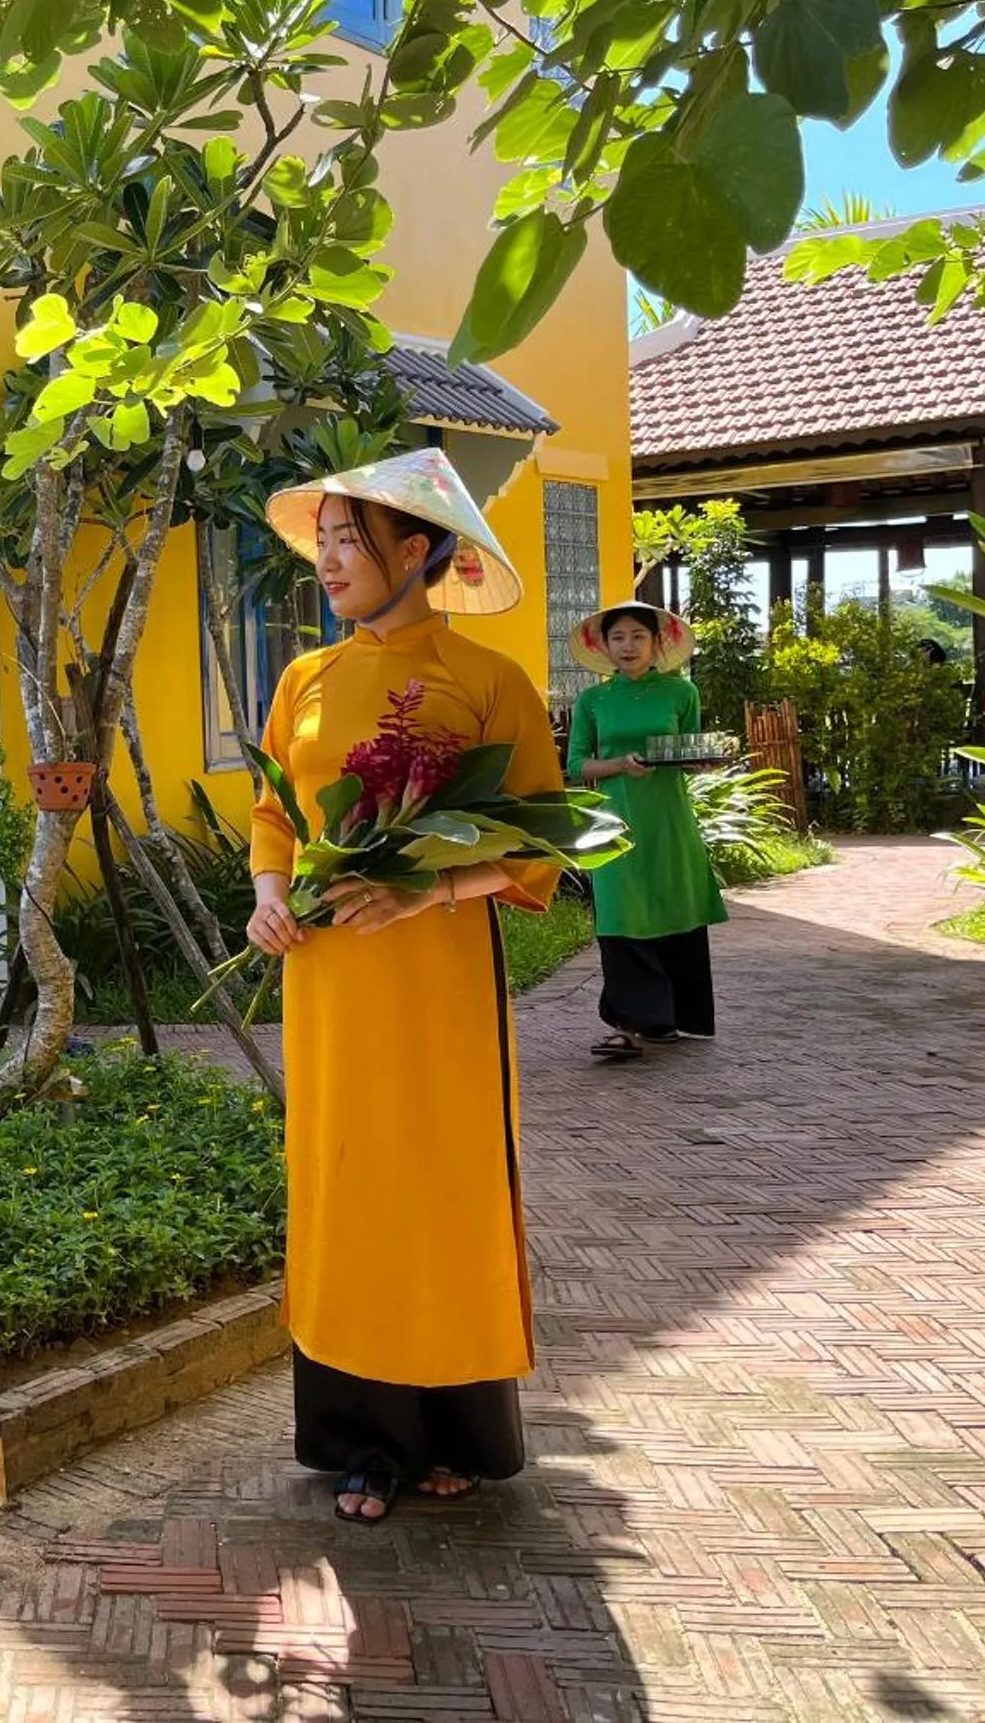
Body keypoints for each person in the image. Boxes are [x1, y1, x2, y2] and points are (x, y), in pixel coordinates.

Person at [244, 448, 564, 1525]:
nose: (328, 560)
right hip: (331, 978)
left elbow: (543, 846)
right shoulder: (305, 681)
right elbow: (273, 814)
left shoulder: (492, 683)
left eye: (350, 540)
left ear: (417, 551)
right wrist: (266, 896)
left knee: (443, 1182)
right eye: (324, 539)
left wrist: (430, 895)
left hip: (438, 981)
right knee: (347, 1184)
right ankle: (361, 1442)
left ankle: (459, 1435)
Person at [563, 603, 728, 1060]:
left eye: (638, 636)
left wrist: (702, 760)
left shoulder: (682, 692)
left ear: (658, 644)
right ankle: (631, 1023)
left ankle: (672, 1019)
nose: (628, 646)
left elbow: (690, 753)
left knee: (672, 907)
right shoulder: (593, 701)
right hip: (614, 819)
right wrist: (619, 765)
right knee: (619, 915)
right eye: (618, 638)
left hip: (669, 818)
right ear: (604, 646)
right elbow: (576, 765)